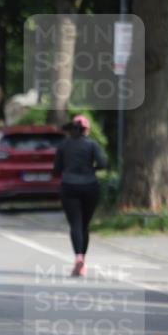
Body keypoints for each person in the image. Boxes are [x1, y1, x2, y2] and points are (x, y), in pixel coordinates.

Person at [53, 114, 107, 276]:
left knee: (75, 224)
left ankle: (78, 258)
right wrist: (91, 170)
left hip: (69, 187)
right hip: (90, 187)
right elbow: (103, 164)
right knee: (84, 225)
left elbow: (56, 170)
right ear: (87, 130)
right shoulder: (92, 145)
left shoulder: (63, 146)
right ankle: (83, 260)